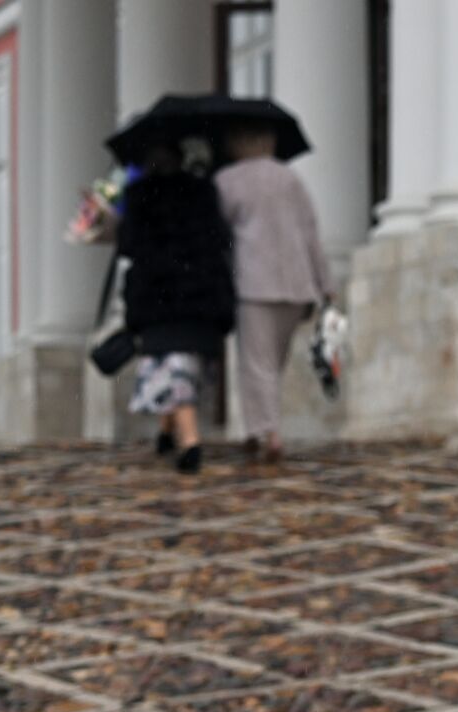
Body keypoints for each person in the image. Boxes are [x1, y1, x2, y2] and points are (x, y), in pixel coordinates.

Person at [214, 123, 332, 464]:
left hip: (255, 281)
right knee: (273, 361)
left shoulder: (228, 180)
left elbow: (219, 229)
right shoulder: (290, 179)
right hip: (297, 283)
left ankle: (269, 430)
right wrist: (326, 284)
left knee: (257, 362)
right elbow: (311, 232)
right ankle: (257, 428)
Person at [117, 139, 235, 474]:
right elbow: (220, 237)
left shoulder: (139, 196)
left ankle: (190, 442)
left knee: (170, 367)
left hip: (158, 298)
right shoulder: (201, 191)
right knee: (182, 367)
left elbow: (128, 245)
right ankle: (170, 432)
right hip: (198, 295)